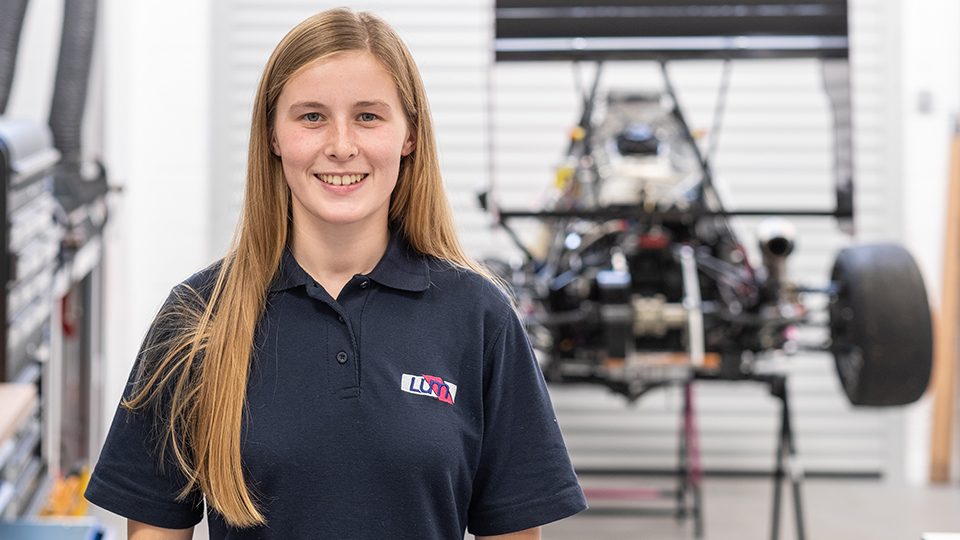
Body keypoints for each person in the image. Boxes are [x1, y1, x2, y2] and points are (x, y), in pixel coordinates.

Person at [85, 7, 586, 540]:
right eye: (312, 117)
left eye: (368, 116)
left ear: (409, 135)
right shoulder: (197, 315)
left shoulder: (480, 318)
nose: (342, 146)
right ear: (273, 137)